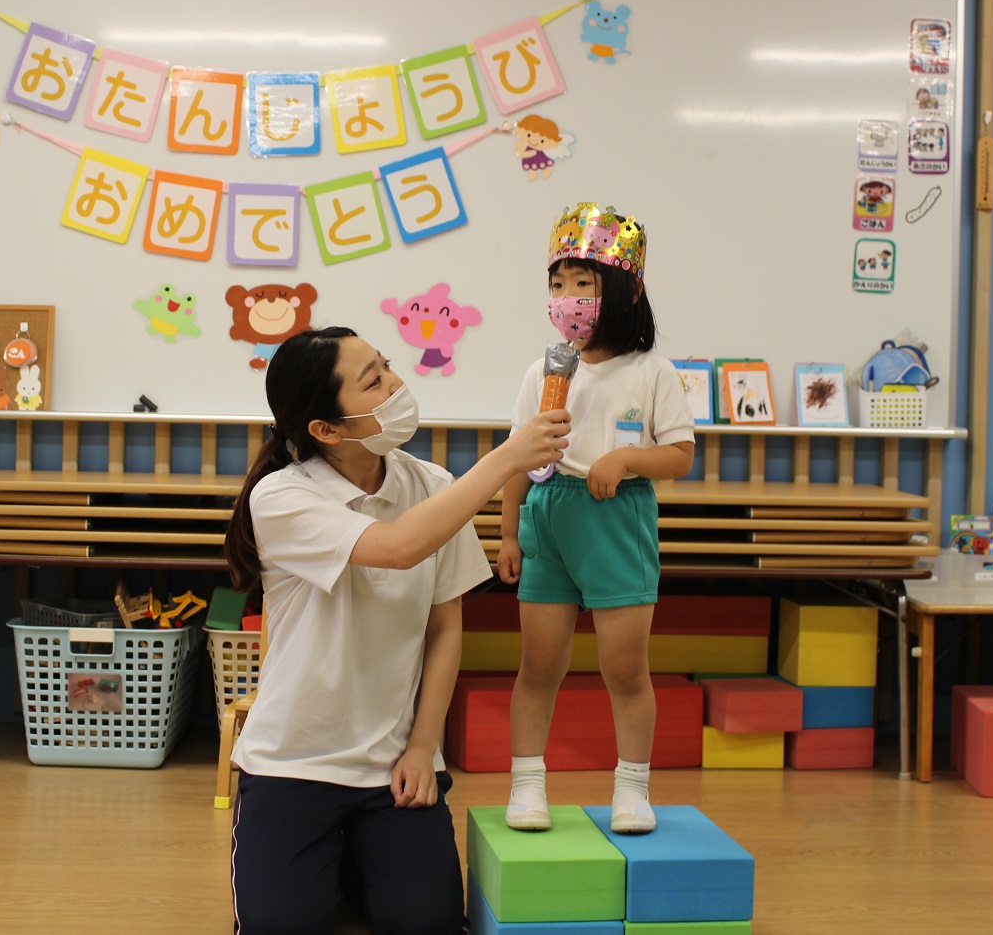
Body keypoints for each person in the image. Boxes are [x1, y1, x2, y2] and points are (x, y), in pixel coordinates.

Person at [224, 326, 570, 935]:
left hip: (394, 768)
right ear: (327, 430)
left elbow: (445, 627)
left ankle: (353, 864)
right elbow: (398, 547)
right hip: (292, 764)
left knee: (427, 923)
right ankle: (334, 865)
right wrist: (509, 456)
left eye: (386, 366)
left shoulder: (433, 487)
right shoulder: (281, 497)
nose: (396, 385)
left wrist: (421, 747)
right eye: (374, 381)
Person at [497, 201, 696, 835]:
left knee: (625, 668)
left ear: (625, 291)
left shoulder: (653, 371)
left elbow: (680, 454)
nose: (567, 299)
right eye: (558, 285)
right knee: (539, 666)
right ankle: (527, 786)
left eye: (581, 284)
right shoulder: (543, 370)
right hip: (548, 518)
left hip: (616, 520)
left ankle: (632, 790)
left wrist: (629, 458)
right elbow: (517, 457)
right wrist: (508, 532)